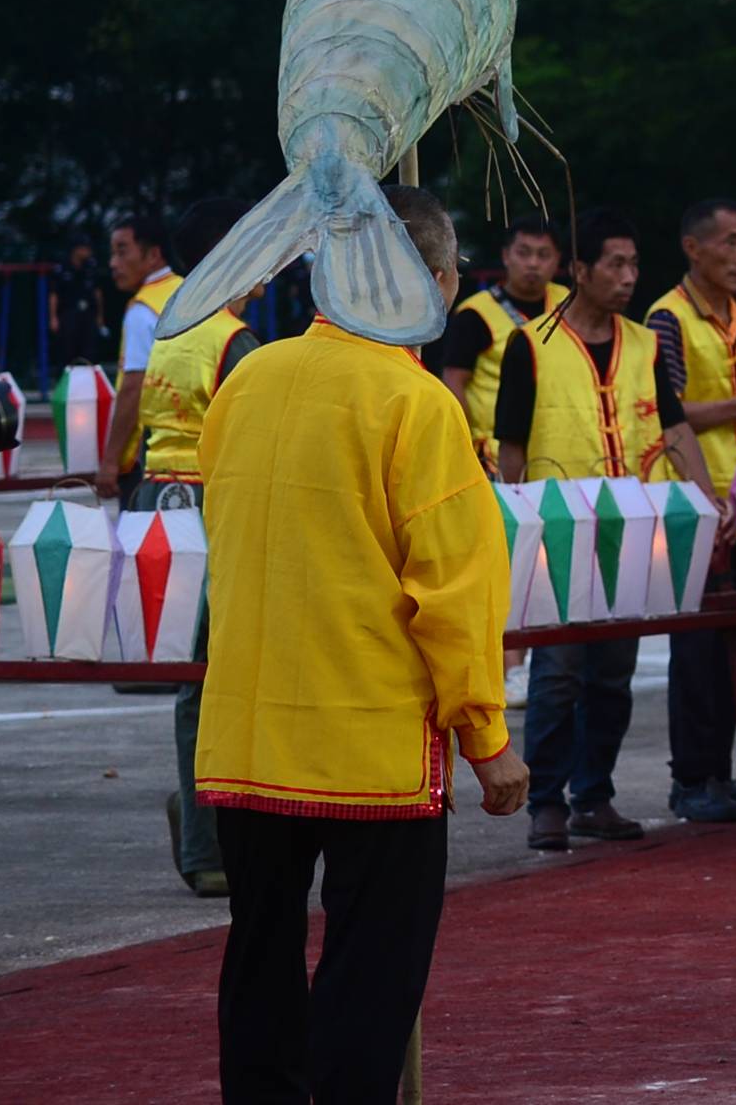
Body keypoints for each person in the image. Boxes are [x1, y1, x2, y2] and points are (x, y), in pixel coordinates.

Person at [197, 183, 525, 1105]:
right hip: (370, 742)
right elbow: (453, 594)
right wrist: (487, 738)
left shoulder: (248, 381)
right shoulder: (415, 402)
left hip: (250, 734)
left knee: (259, 956)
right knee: (371, 972)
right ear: (432, 280)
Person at [494, 206, 707, 851]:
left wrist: (705, 503)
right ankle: (546, 802)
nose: (629, 276)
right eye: (615, 264)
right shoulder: (530, 345)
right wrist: (515, 527)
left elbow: (673, 427)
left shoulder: (644, 343)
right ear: (580, 270)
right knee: (558, 673)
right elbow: (511, 446)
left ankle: (594, 796)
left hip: (632, 531)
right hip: (559, 533)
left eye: (634, 264)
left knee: (613, 674)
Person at [106, 194, 253, 897]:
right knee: (213, 681)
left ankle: (205, 825)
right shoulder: (233, 341)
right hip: (210, 511)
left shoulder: (169, 321)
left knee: (199, 681)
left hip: (160, 506)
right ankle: (207, 840)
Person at [648, 196, 736, 820]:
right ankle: (691, 778)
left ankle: (721, 774)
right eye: (730, 243)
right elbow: (668, 412)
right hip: (694, 498)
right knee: (699, 647)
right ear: (693, 248)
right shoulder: (667, 318)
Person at [433, 213, 564, 467]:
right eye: (523, 253)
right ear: (506, 256)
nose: (533, 263)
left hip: (555, 444)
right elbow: (453, 381)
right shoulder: (474, 314)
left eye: (543, 255)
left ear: (558, 259)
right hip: (492, 453)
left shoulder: (567, 304)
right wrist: (465, 444)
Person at [111, 206, 179, 380]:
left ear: (153, 255)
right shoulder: (186, 289)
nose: (113, 263)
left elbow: (134, 384)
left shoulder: (141, 309)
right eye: (113, 254)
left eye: (122, 252)